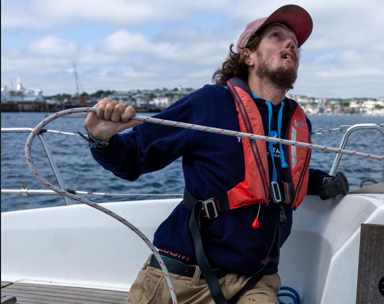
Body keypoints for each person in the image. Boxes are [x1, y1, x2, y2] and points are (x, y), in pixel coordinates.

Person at [83, 4, 348, 304]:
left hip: (254, 282)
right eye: (277, 36)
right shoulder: (208, 105)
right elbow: (132, 159)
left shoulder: (298, 122)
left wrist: (322, 181)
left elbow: (280, 174)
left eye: (296, 43)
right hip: (180, 276)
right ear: (247, 55)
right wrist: (101, 140)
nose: (291, 44)